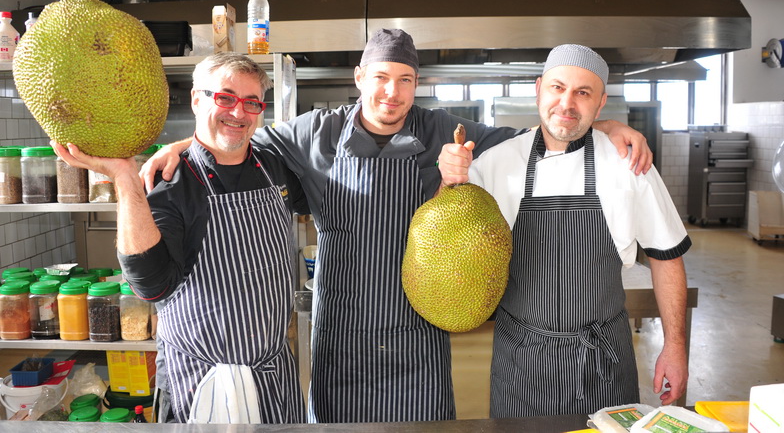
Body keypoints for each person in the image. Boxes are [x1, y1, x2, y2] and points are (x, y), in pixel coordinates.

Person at [141, 29, 654, 423]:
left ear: (416, 85)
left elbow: (536, 139)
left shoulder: (441, 129)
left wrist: (604, 125)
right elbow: (238, 136)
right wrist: (184, 145)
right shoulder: (314, 133)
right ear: (360, 77)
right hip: (342, 334)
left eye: (405, 80)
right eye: (381, 77)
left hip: (417, 338)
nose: (392, 92)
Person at [52, 53, 308, 424]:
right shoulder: (169, 180)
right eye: (225, 97)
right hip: (199, 381)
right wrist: (125, 178)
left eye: (251, 102)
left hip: (272, 376)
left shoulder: (273, 165)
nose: (239, 112)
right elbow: (151, 285)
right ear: (196, 99)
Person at [437, 43, 690, 417]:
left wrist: (675, 347)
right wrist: (447, 181)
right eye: (558, 87)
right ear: (539, 89)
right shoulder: (494, 162)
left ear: (600, 104)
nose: (567, 103)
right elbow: (446, 236)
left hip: (603, 361)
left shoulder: (629, 164)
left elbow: (666, 256)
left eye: (583, 93)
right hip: (520, 363)